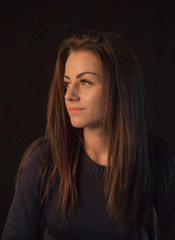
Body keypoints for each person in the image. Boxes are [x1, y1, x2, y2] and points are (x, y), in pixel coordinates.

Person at [2, 30, 175, 240]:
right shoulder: (43, 159)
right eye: (67, 83)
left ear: (120, 88)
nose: (69, 95)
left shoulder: (157, 160)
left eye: (85, 82)